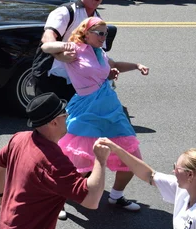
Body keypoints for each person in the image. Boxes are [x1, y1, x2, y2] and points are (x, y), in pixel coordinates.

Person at [42, 17, 149, 212]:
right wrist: (67, 44)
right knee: (77, 163)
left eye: (105, 34)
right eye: (100, 33)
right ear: (86, 33)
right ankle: (60, 198)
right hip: (86, 109)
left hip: (111, 108)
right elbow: (46, 48)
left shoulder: (100, 52)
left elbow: (114, 64)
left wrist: (136, 65)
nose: (104, 37)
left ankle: (116, 196)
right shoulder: (75, 49)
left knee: (131, 157)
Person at [0, 92, 110, 229]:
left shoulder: (19, 139)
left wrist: (0, 196)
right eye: (65, 114)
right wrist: (100, 159)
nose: (68, 116)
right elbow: (91, 200)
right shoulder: (54, 162)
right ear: (54, 121)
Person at [33, 0, 108, 102]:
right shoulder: (66, 12)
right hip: (52, 77)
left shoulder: (97, 19)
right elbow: (47, 38)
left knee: (75, 120)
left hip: (77, 81)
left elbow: (98, 52)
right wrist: (60, 55)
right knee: (51, 120)